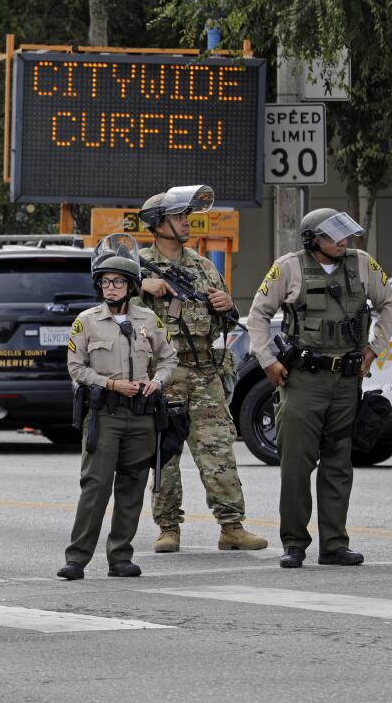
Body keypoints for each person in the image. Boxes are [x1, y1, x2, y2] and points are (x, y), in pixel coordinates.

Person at [247, 209, 392, 569]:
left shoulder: (362, 264)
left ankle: (334, 545)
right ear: (313, 239)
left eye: (344, 235)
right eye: (333, 236)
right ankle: (295, 544)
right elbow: (258, 315)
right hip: (302, 382)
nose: (343, 241)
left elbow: (389, 305)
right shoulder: (289, 267)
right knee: (296, 465)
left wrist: (374, 348)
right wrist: (268, 360)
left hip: (347, 381)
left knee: (339, 464)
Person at [136, 186, 268, 553]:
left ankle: (232, 527)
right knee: (167, 454)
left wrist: (225, 306)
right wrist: (142, 289)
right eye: (178, 218)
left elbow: (226, 321)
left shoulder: (204, 266)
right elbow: (113, 309)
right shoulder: (136, 267)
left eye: (186, 217)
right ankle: (168, 528)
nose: (186, 223)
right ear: (158, 224)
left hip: (205, 372)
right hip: (163, 376)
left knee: (218, 450)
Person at [58, 235, 177, 582]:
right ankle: (77, 558)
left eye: (118, 282)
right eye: (106, 282)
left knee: (132, 486)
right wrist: (110, 384)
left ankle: (120, 557)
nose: (111, 288)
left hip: (141, 415)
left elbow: (169, 358)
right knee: (95, 487)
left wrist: (158, 381)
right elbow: (75, 368)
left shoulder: (148, 321)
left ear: (131, 287)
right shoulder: (86, 321)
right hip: (104, 415)